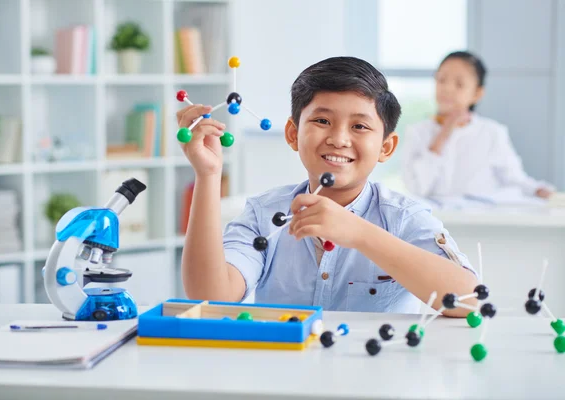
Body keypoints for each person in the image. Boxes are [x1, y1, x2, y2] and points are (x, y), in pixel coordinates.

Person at [176, 56, 478, 316]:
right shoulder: (263, 213)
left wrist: (359, 233)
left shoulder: (403, 217)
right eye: (322, 121)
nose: (339, 139)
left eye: (359, 126)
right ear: (293, 134)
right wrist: (208, 175)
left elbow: (472, 300)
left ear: (386, 147)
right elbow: (210, 299)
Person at [401, 50, 554, 200]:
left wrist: (538, 190)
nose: (447, 89)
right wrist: (443, 134)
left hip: (479, 219)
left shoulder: (492, 132)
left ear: (477, 94)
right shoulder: (417, 132)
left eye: (459, 84)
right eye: (441, 80)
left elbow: (514, 178)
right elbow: (417, 188)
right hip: (435, 220)